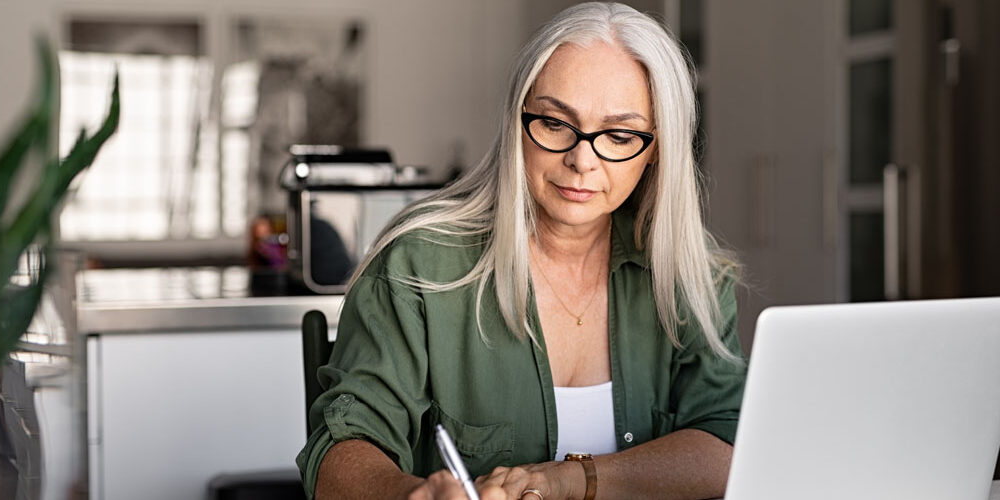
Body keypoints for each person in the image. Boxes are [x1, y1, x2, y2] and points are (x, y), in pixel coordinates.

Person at [296, 3, 746, 499]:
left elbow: (727, 439)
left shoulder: (688, 273)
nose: (581, 160)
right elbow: (341, 449)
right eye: (555, 124)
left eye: (619, 135)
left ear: (657, 148)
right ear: (518, 119)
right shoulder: (417, 265)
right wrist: (411, 496)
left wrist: (569, 480)